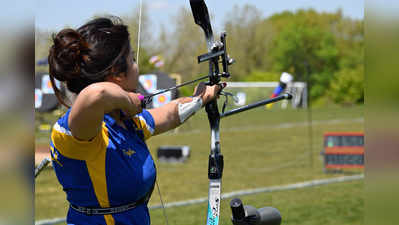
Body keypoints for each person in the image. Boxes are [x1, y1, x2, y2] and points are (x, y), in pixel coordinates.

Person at [47, 17, 224, 225]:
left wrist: (201, 98)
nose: (136, 66)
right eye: (131, 60)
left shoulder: (126, 123)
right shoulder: (77, 133)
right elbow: (96, 94)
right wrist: (128, 100)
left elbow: (168, 114)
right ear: (116, 73)